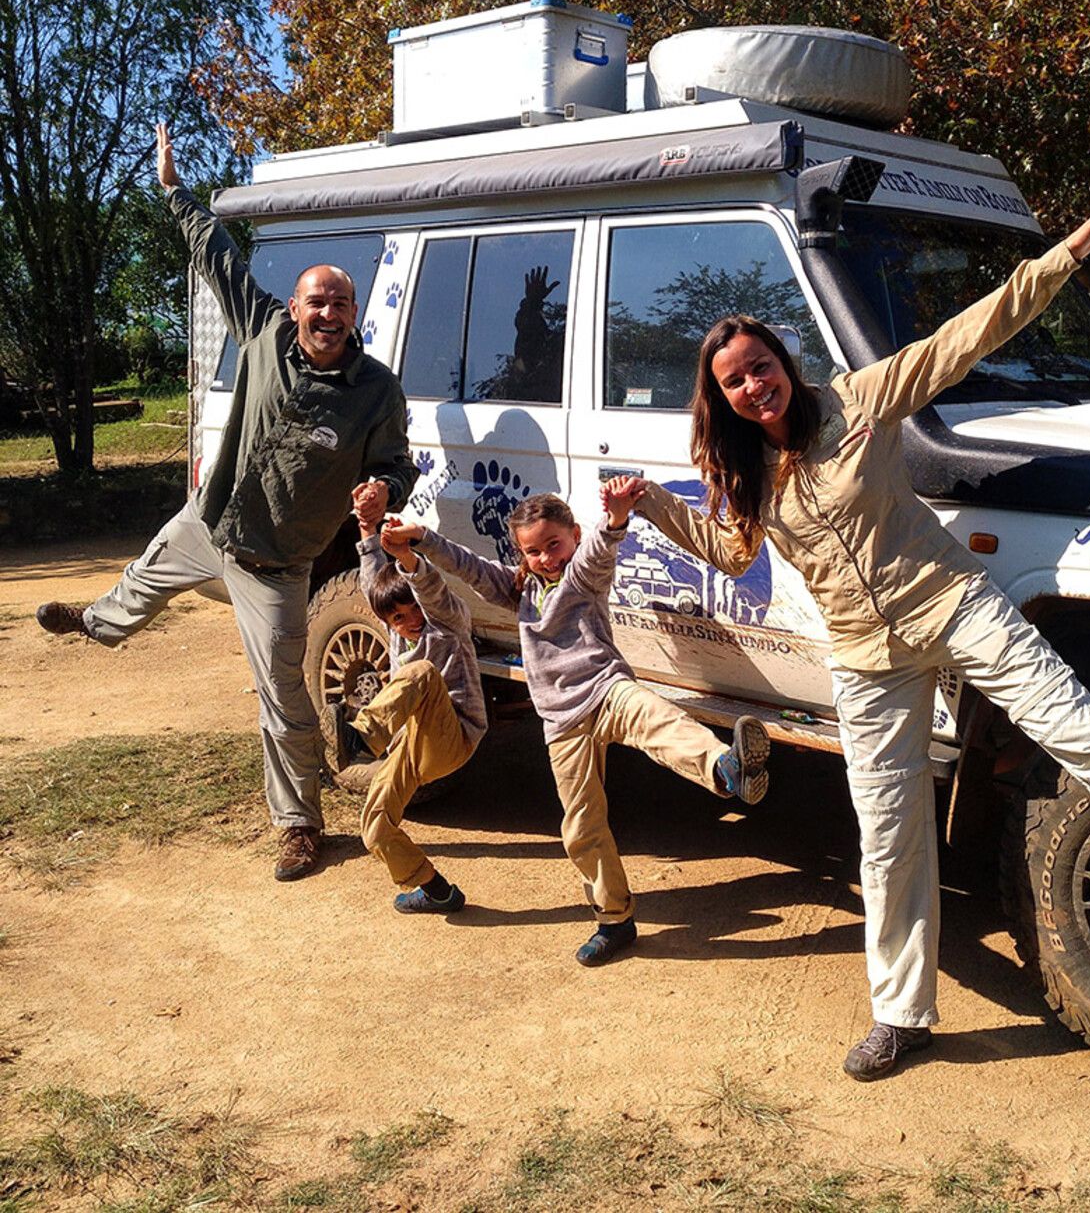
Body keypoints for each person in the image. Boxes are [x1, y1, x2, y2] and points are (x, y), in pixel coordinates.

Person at [628, 184, 1090, 1080]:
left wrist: (1070, 252)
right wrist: (651, 505)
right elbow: (732, 554)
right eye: (734, 381)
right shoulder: (748, 471)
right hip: (864, 655)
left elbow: (971, 332)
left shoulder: (858, 401)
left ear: (784, 359)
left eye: (760, 366)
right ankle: (901, 1015)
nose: (752, 386)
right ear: (721, 396)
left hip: (954, 604)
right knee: (888, 833)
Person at [34, 124, 417, 884]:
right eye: (317, 301)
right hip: (211, 523)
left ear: (355, 313)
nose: (328, 313)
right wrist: (175, 190)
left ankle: (300, 826)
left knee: (284, 699)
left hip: (278, 564)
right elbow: (216, 254)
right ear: (295, 307)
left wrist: (384, 490)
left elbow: (394, 464)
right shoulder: (264, 332)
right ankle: (96, 625)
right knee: (144, 576)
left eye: (340, 303)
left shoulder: (377, 391)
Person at [384, 478, 772, 965]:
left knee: (658, 719)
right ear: (522, 555)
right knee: (582, 827)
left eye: (555, 545)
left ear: (574, 536)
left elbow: (600, 552)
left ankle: (725, 767)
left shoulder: (583, 576)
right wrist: (421, 538)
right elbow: (468, 566)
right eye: (534, 551)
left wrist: (616, 519)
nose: (547, 558)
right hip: (561, 721)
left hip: (606, 690)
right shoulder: (518, 590)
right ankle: (614, 920)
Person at [317, 487, 491, 914]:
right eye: (398, 618)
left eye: (413, 610)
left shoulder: (445, 623)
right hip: (410, 745)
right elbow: (372, 581)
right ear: (388, 622)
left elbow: (429, 590)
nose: (411, 621)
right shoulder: (397, 632)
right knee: (374, 826)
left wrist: (408, 559)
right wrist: (366, 527)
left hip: (453, 737)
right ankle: (435, 890)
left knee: (421, 673)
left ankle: (361, 737)